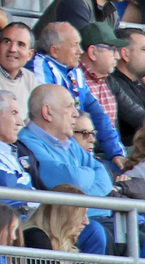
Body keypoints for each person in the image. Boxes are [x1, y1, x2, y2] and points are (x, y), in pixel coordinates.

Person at [17, 84, 113, 255]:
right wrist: (86, 177)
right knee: (97, 233)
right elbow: (67, 181)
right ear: (47, 112)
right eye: (69, 106)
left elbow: (104, 176)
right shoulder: (27, 141)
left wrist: (80, 189)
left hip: (94, 215)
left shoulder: (69, 144)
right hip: (66, 222)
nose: (76, 113)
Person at [29, 21, 127, 167]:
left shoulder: (75, 72)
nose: (80, 51)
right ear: (55, 51)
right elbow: (48, 114)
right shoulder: (39, 66)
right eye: (74, 45)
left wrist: (116, 153)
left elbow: (98, 114)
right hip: (52, 151)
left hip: (77, 149)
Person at [0, 23, 41, 115]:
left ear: (30, 54)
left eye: (20, 44)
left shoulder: (30, 78)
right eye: (7, 42)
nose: (12, 49)